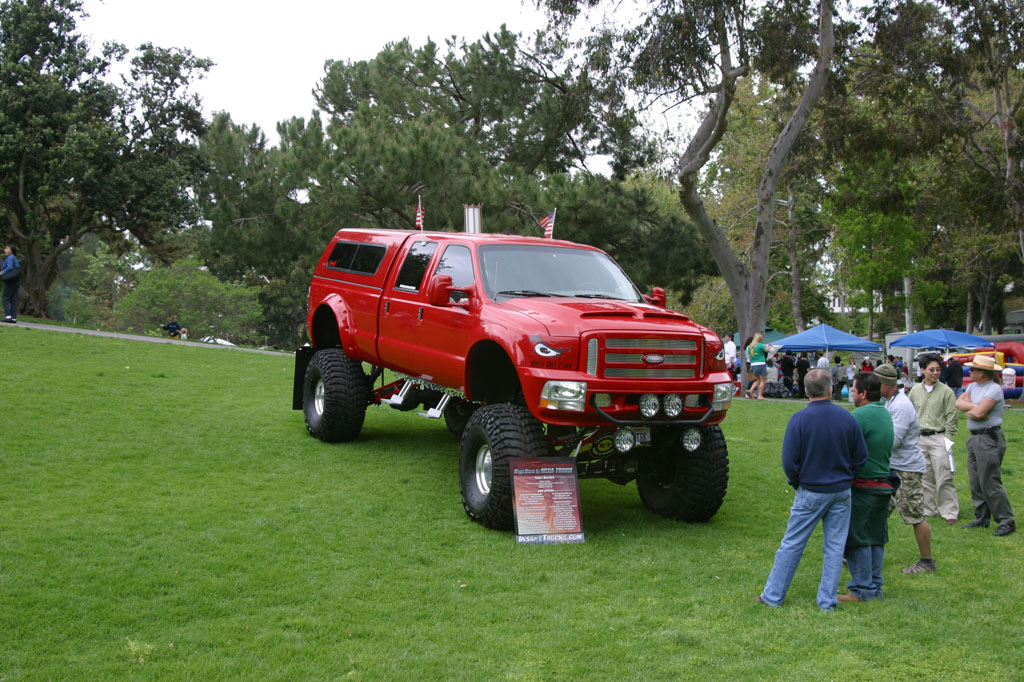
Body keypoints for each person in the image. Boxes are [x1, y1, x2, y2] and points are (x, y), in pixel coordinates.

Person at [756, 369, 868, 611]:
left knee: (793, 543)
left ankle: (773, 596)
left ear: (805, 391)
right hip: (840, 490)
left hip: (811, 490)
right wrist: (848, 477)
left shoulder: (800, 419)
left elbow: (789, 461)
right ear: (830, 389)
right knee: (835, 548)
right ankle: (826, 601)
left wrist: (798, 481)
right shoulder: (847, 417)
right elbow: (861, 456)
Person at [875, 364, 935, 574]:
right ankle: (863, 554)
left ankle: (927, 561)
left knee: (915, 514)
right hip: (893, 467)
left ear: (886, 384)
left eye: (876, 383)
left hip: (906, 470)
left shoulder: (900, 405)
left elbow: (894, 440)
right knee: (878, 512)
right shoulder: (890, 401)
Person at [841, 371, 895, 603]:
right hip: (883, 483)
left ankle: (862, 589)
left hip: (864, 486)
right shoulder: (885, 413)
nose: (851, 394)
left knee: (858, 538)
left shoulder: (860, 416)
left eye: (853, 390)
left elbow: (844, 448)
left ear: (863, 393)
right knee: (876, 536)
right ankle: (875, 585)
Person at [956, 354, 1015, 536]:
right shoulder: (973, 386)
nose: (970, 371)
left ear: (982, 372)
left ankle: (1006, 520)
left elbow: (980, 412)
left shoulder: (994, 389)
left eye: (973, 369)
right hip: (974, 437)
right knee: (976, 481)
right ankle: (981, 517)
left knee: (989, 480)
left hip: (988, 438)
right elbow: (959, 403)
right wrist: (975, 409)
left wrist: (973, 409)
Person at [909, 353, 960, 525]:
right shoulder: (915, 391)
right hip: (920, 438)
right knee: (925, 476)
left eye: (938, 369)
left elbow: (951, 416)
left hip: (939, 437)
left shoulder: (946, 392)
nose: (935, 373)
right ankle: (928, 509)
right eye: (932, 369)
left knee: (944, 475)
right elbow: (910, 415)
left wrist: (947, 438)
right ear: (922, 370)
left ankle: (949, 511)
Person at [745, 332, 768, 400]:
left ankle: (750, 390)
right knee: (763, 380)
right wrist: (767, 346)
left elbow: (749, 354)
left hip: (753, 364)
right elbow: (768, 350)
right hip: (761, 363)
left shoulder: (750, 347)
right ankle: (760, 395)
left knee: (757, 379)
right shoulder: (759, 345)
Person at [1, 243, 20, 323]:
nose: (5, 250)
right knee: (13, 299)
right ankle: (13, 318)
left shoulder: (10, 257)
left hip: (11, 281)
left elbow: (9, 267)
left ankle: (7, 316)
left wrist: (2, 272)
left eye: (7, 249)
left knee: (5, 297)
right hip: (16, 281)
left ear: (11, 251)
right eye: (5, 249)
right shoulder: (13, 257)